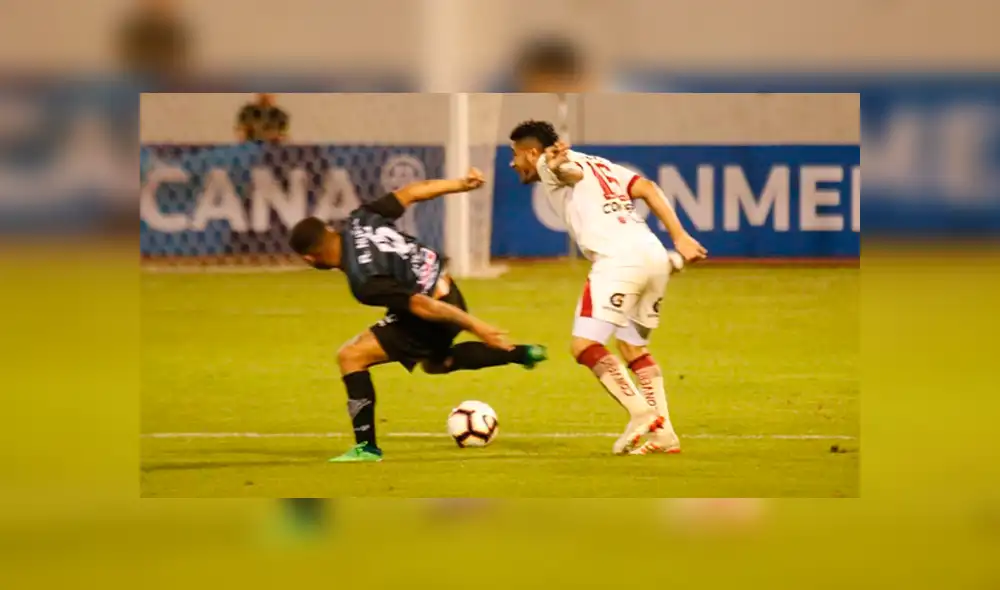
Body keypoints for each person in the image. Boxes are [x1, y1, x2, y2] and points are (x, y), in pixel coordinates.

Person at [288, 168, 548, 463]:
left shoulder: (364, 282)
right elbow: (413, 191)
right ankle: (520, 353)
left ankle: (366, 448)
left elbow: (423, 307)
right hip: (448, 286)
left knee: (351, 356)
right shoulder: (361, 218)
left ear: (310, 259)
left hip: (433, 312)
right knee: (436, 363)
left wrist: (478, 327)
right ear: (329, 230)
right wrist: (461, 184)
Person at [507, 121, 708, 455]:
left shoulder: (549, 163)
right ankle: (664, 435)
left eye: (515, 155)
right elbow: (646, 186)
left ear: (531, 152)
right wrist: (680, 236)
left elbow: (567, 172)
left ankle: (641, 413)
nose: (513, 163)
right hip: (653, 254)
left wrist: (555, 166)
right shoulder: (599, 162)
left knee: (584, 345)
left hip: (618, 261)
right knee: (633, 349)